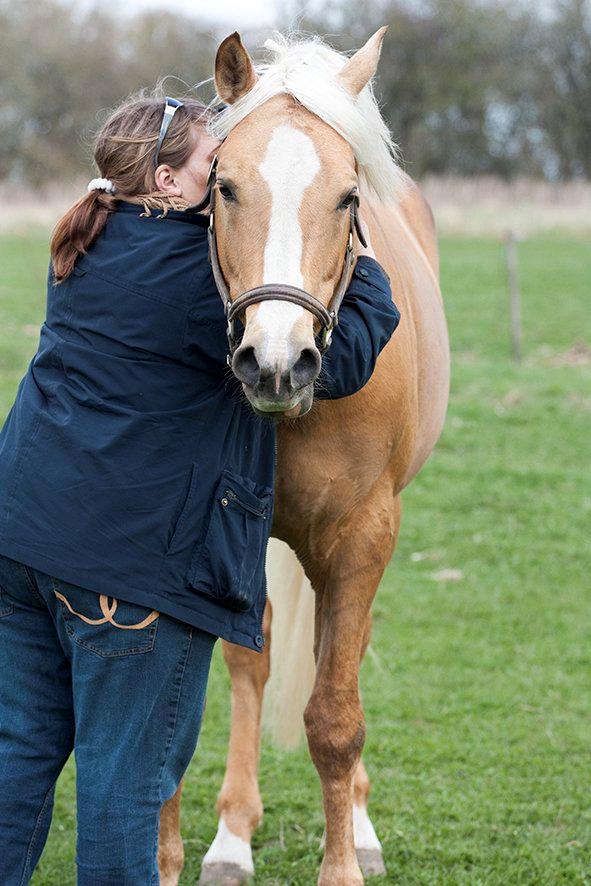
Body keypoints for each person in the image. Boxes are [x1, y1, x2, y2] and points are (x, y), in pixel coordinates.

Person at [0, 91, 400, 884]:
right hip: (129, 575)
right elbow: (342, 359)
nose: (220, 180)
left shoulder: (84, 236)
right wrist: (368, 261)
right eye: (212, 171)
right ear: (167, 181)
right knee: (126, 788)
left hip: (21, 544)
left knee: (17, 758)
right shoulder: (200, 280)